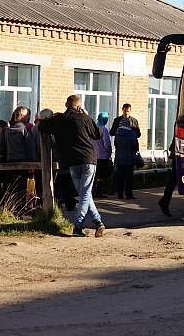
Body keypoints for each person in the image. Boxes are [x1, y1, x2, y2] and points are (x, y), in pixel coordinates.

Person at [39, 95, 105, 237]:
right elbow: (98, 134)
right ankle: (78, 226)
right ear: (79, 106)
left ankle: (98, 222)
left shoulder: (58, 120)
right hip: (88, 160)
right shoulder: (84, 118)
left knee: (84, 194)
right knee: (85, 194)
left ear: (66, 104)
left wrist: (49, 117)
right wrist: (87, 115)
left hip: (71, 162)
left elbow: (42, 127)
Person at [113, 124, 138, 199]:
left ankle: (120, 194)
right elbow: (136, 146)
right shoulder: (132, 133)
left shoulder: (117, 134)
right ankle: (128, 194)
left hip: (119, 158)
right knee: (129, 178)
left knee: (120, 177)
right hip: (129, 158)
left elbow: (115, 145)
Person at [93, 112, 113, 197]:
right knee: (102, 175)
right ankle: (99, 192)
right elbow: (107, 144)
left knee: (95, 175)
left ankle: (94, 192)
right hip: (103, 156)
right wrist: (110, 152)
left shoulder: (94, 128)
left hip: (94, 156)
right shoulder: (104, 130)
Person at [158, 139, 176, 216]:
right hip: (179, 158)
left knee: (172, 182)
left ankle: (164, 201)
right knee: (172, 182)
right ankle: (164, 202)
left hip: (178, 157)